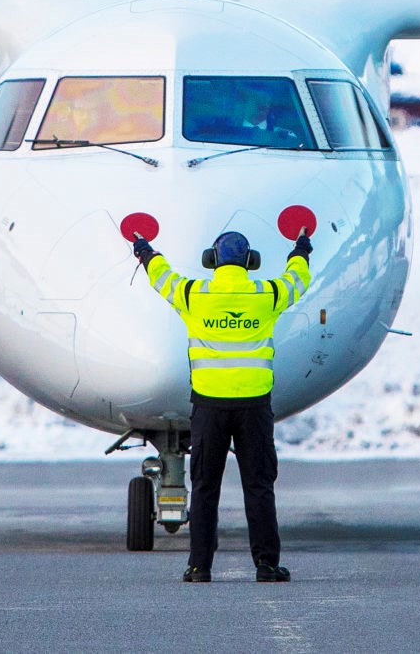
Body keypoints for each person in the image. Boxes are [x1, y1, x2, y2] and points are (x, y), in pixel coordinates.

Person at [132, 226, 313, 583]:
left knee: (205, 488)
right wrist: (301, 249)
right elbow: (297, 279)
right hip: (254, 408)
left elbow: (161, 277)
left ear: (212, 261)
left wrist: (145, 251)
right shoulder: (267, 293)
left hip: (209, 408)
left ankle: (200, 567)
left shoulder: (194, 294)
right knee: (259, 487)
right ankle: (266, 564)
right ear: (250, 262)